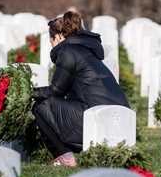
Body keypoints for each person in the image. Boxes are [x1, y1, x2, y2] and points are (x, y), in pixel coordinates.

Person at [32, 9, 128, 166]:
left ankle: (66, 157)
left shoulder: (67, 50)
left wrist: (30, 92)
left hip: (95, 113)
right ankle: (76, 153)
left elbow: (56, 91)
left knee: (41, 105)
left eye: (51, 41)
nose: (52, 46)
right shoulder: (85, 48)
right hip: (120, 117)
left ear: (57, 37)